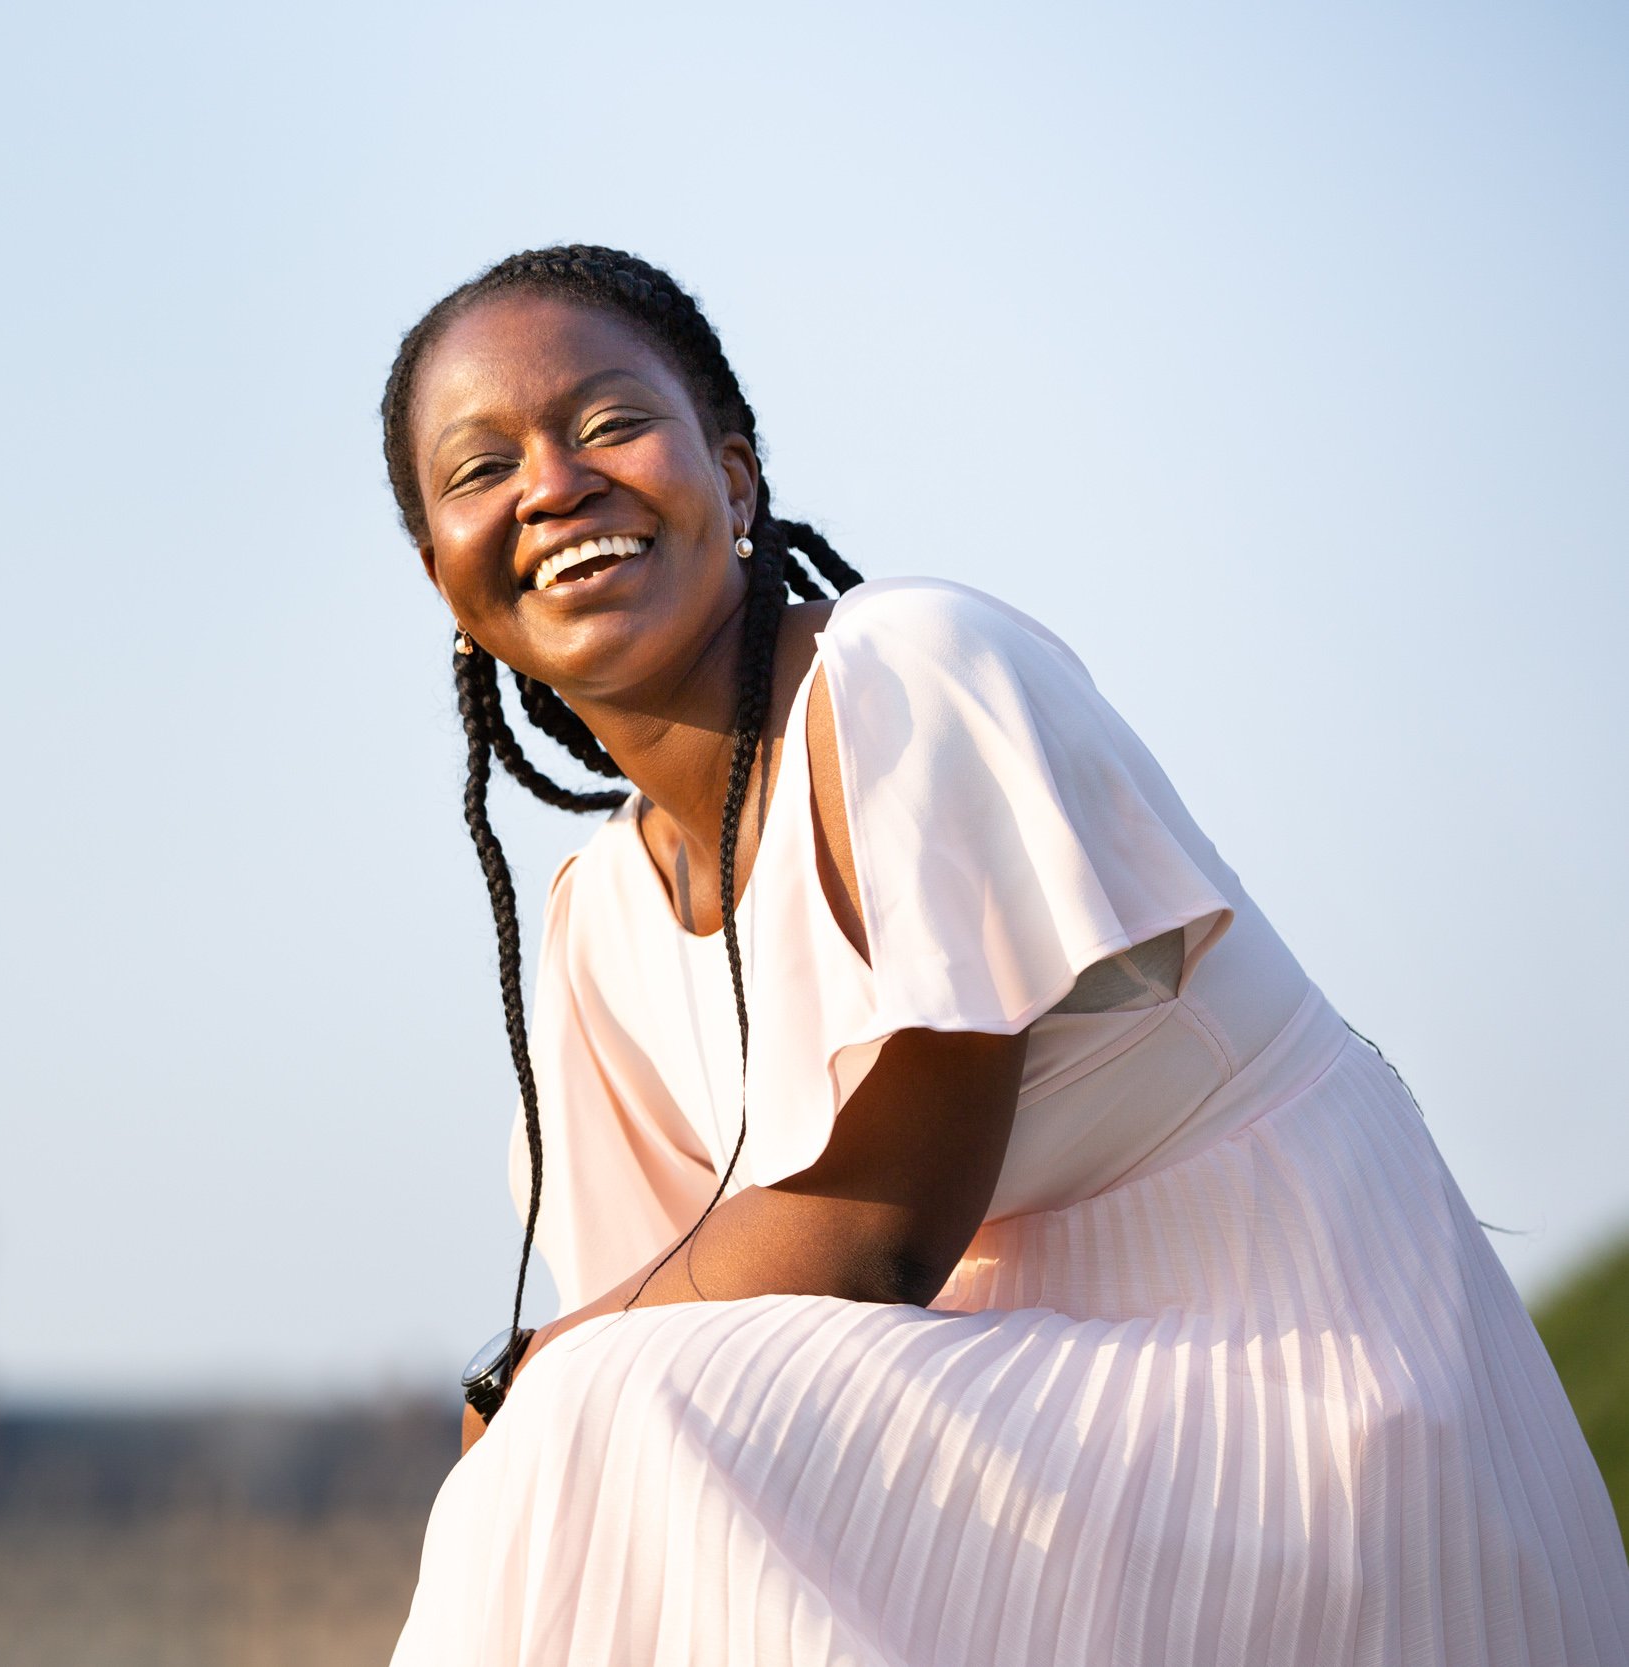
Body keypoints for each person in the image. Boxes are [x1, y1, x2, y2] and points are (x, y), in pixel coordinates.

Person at [376, 245, 1629, 1666]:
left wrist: (539, 1379)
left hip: (1305, 1407)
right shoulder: (596, 927)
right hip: (1019, 1453)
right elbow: (681, 1326)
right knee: (581, 1463)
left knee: (594, 1415)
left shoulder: (912, 676)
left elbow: (879, 1229)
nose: (554, 484)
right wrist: (545, 1389)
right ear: (442, 577)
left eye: (610, 425)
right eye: (483, 470)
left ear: (734, 479)